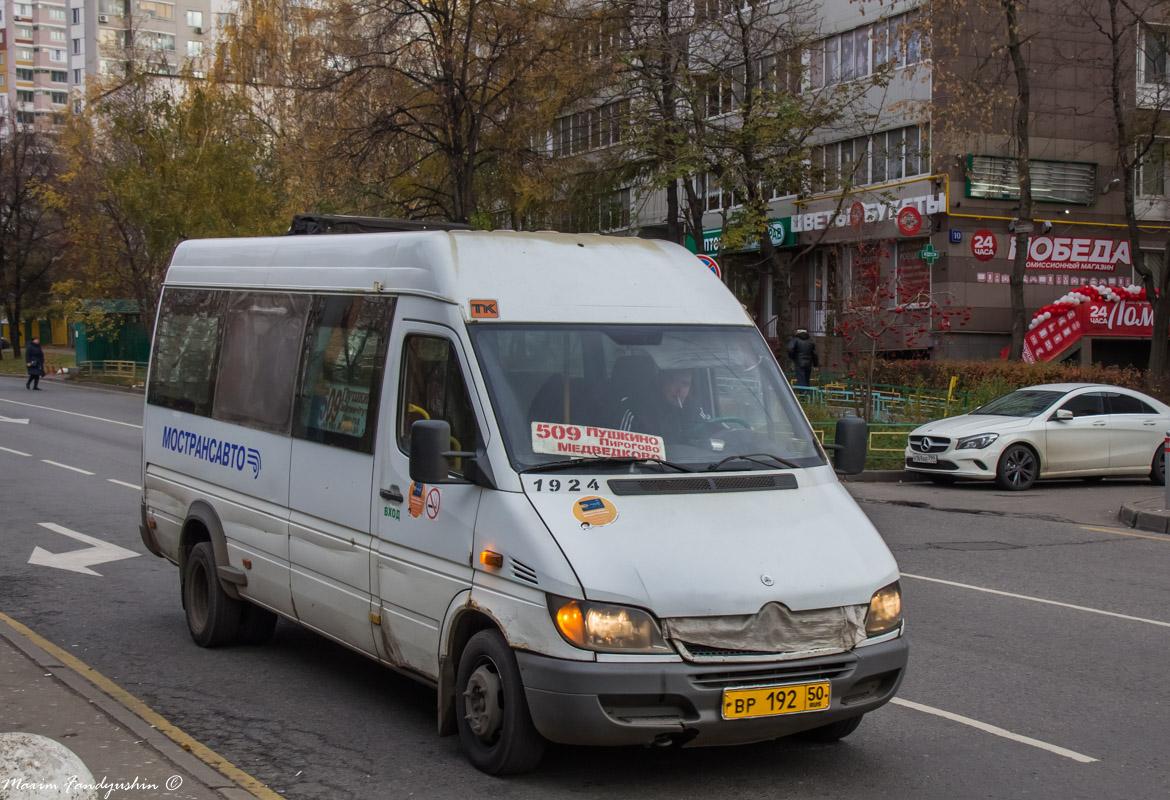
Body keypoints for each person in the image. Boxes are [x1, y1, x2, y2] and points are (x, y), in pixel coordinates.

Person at [616, 368, 710, 444]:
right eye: (673, 380)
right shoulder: (636, 412)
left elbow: (713, 432)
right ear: (660, 381)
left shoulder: (693, 408)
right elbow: (621, 451)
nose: (680, 389)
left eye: (685, 384)